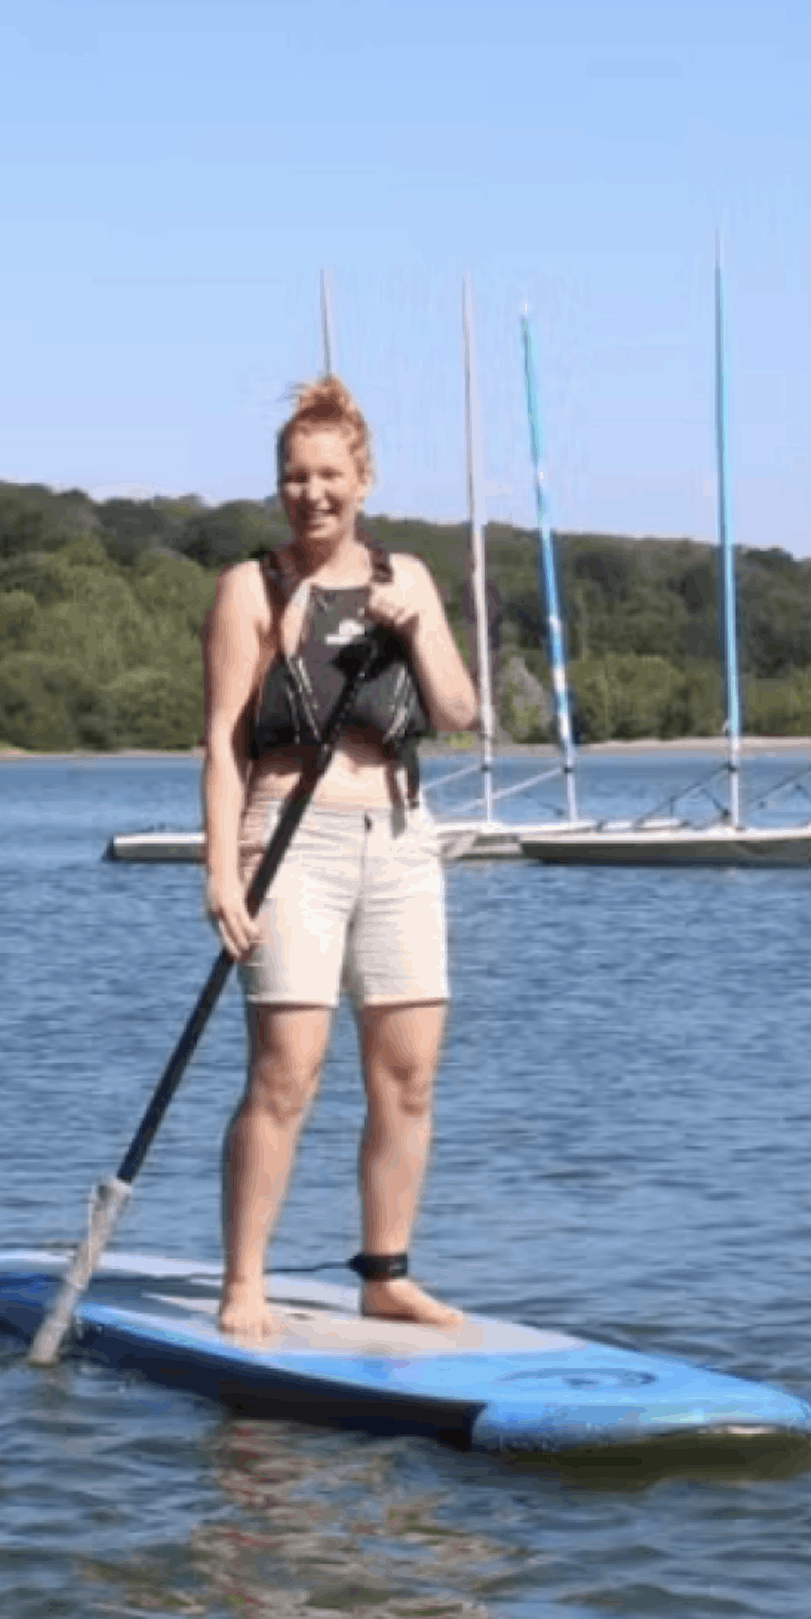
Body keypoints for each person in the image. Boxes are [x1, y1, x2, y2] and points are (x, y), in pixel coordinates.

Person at [201, 373, 482, 1344]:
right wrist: (221, 871)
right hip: (290, 833)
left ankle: (387, 1273)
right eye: (293, 475)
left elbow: (456, 711)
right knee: (287, 1072)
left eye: (328, 474)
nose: (310, 491)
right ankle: (245, 1279)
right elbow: (224, 742)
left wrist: (411, 622)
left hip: (400, 836)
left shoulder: (408, 578)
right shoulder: (252, 586)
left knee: (407, 1077)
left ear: (362, 477)